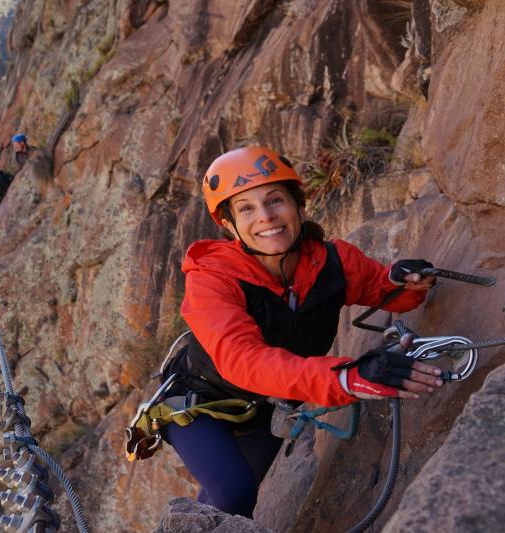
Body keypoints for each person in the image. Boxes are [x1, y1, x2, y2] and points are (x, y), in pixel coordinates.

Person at [161, 146, 442, 518]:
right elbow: (241, 360)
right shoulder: (212, 279)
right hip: (199, 404)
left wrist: (406, 281)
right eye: (246, 208)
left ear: (297, 204)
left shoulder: (332, 262)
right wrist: (346, 378)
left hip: (269, 406)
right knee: (233, 494)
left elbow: (381, 289)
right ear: (229, 224)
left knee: (229, 509)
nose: (266, 217)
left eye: (275, 200)